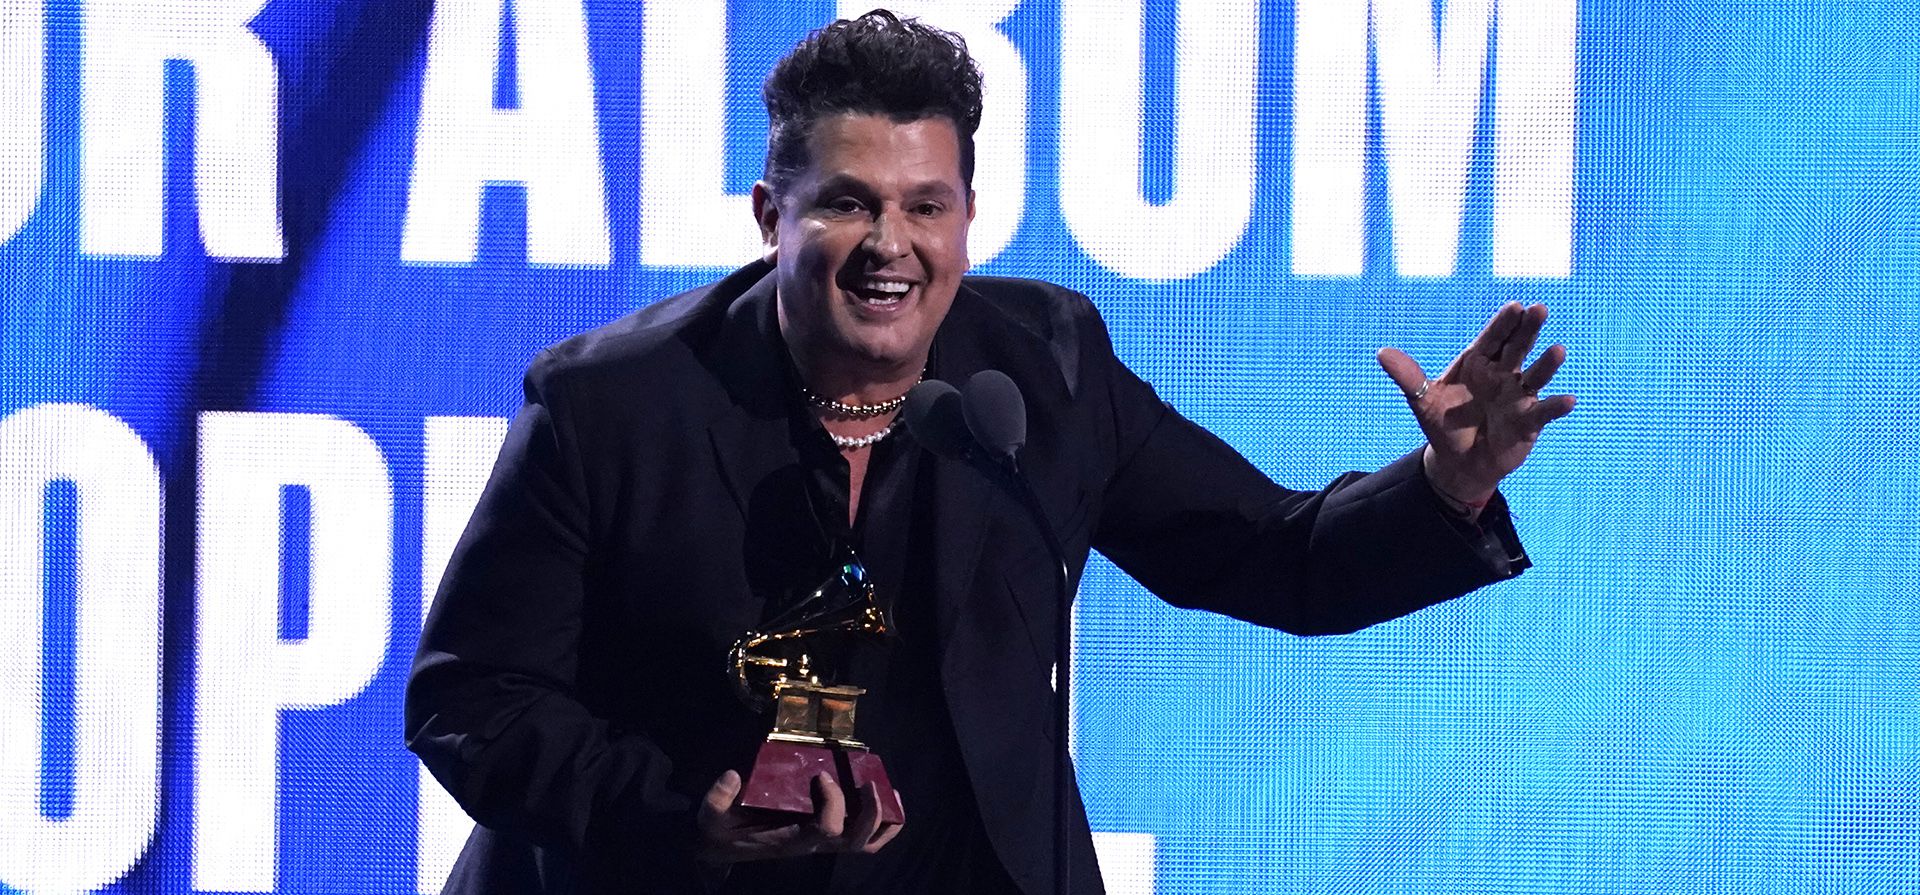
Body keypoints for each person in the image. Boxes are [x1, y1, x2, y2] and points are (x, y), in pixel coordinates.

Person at [405, 9, 1576, 895]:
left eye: (926, 206)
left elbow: (1268, 553)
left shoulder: (1045, 368)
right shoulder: (611, 406)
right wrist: (683, 813)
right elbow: (473, 696)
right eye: (848, 205)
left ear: (970, 213)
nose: (890, 247)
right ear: (773, 217)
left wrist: (1444, 488)